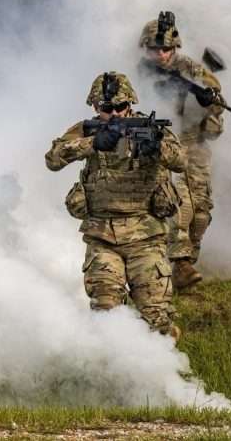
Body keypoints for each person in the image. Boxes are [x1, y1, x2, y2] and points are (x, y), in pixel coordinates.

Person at [45, 72, 186, 339]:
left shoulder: (148, 126)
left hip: (146, 235)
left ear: (130, 104)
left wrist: (155, 147)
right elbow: (53, 159)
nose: (116, 113)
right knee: (106, 315)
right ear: (95, 107)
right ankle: (116, 375)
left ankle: (161, 372)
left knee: (157, 319)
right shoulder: (87, 128)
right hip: (102, 236)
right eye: (107, 108)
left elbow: (181, 161)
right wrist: (93, 143)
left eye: (121, 107)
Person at [138, 11, 227, 290]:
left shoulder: (192, 69)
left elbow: (216, 103)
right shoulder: (139, 72)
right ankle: (180, 263)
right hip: (164, 143)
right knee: (180, 203)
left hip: (194, 144)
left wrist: (208, 99)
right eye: (155, 49)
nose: (162, 54)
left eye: (166, 49)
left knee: (201, 213)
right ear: (146, 47)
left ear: (175, 47)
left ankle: (184, 264)